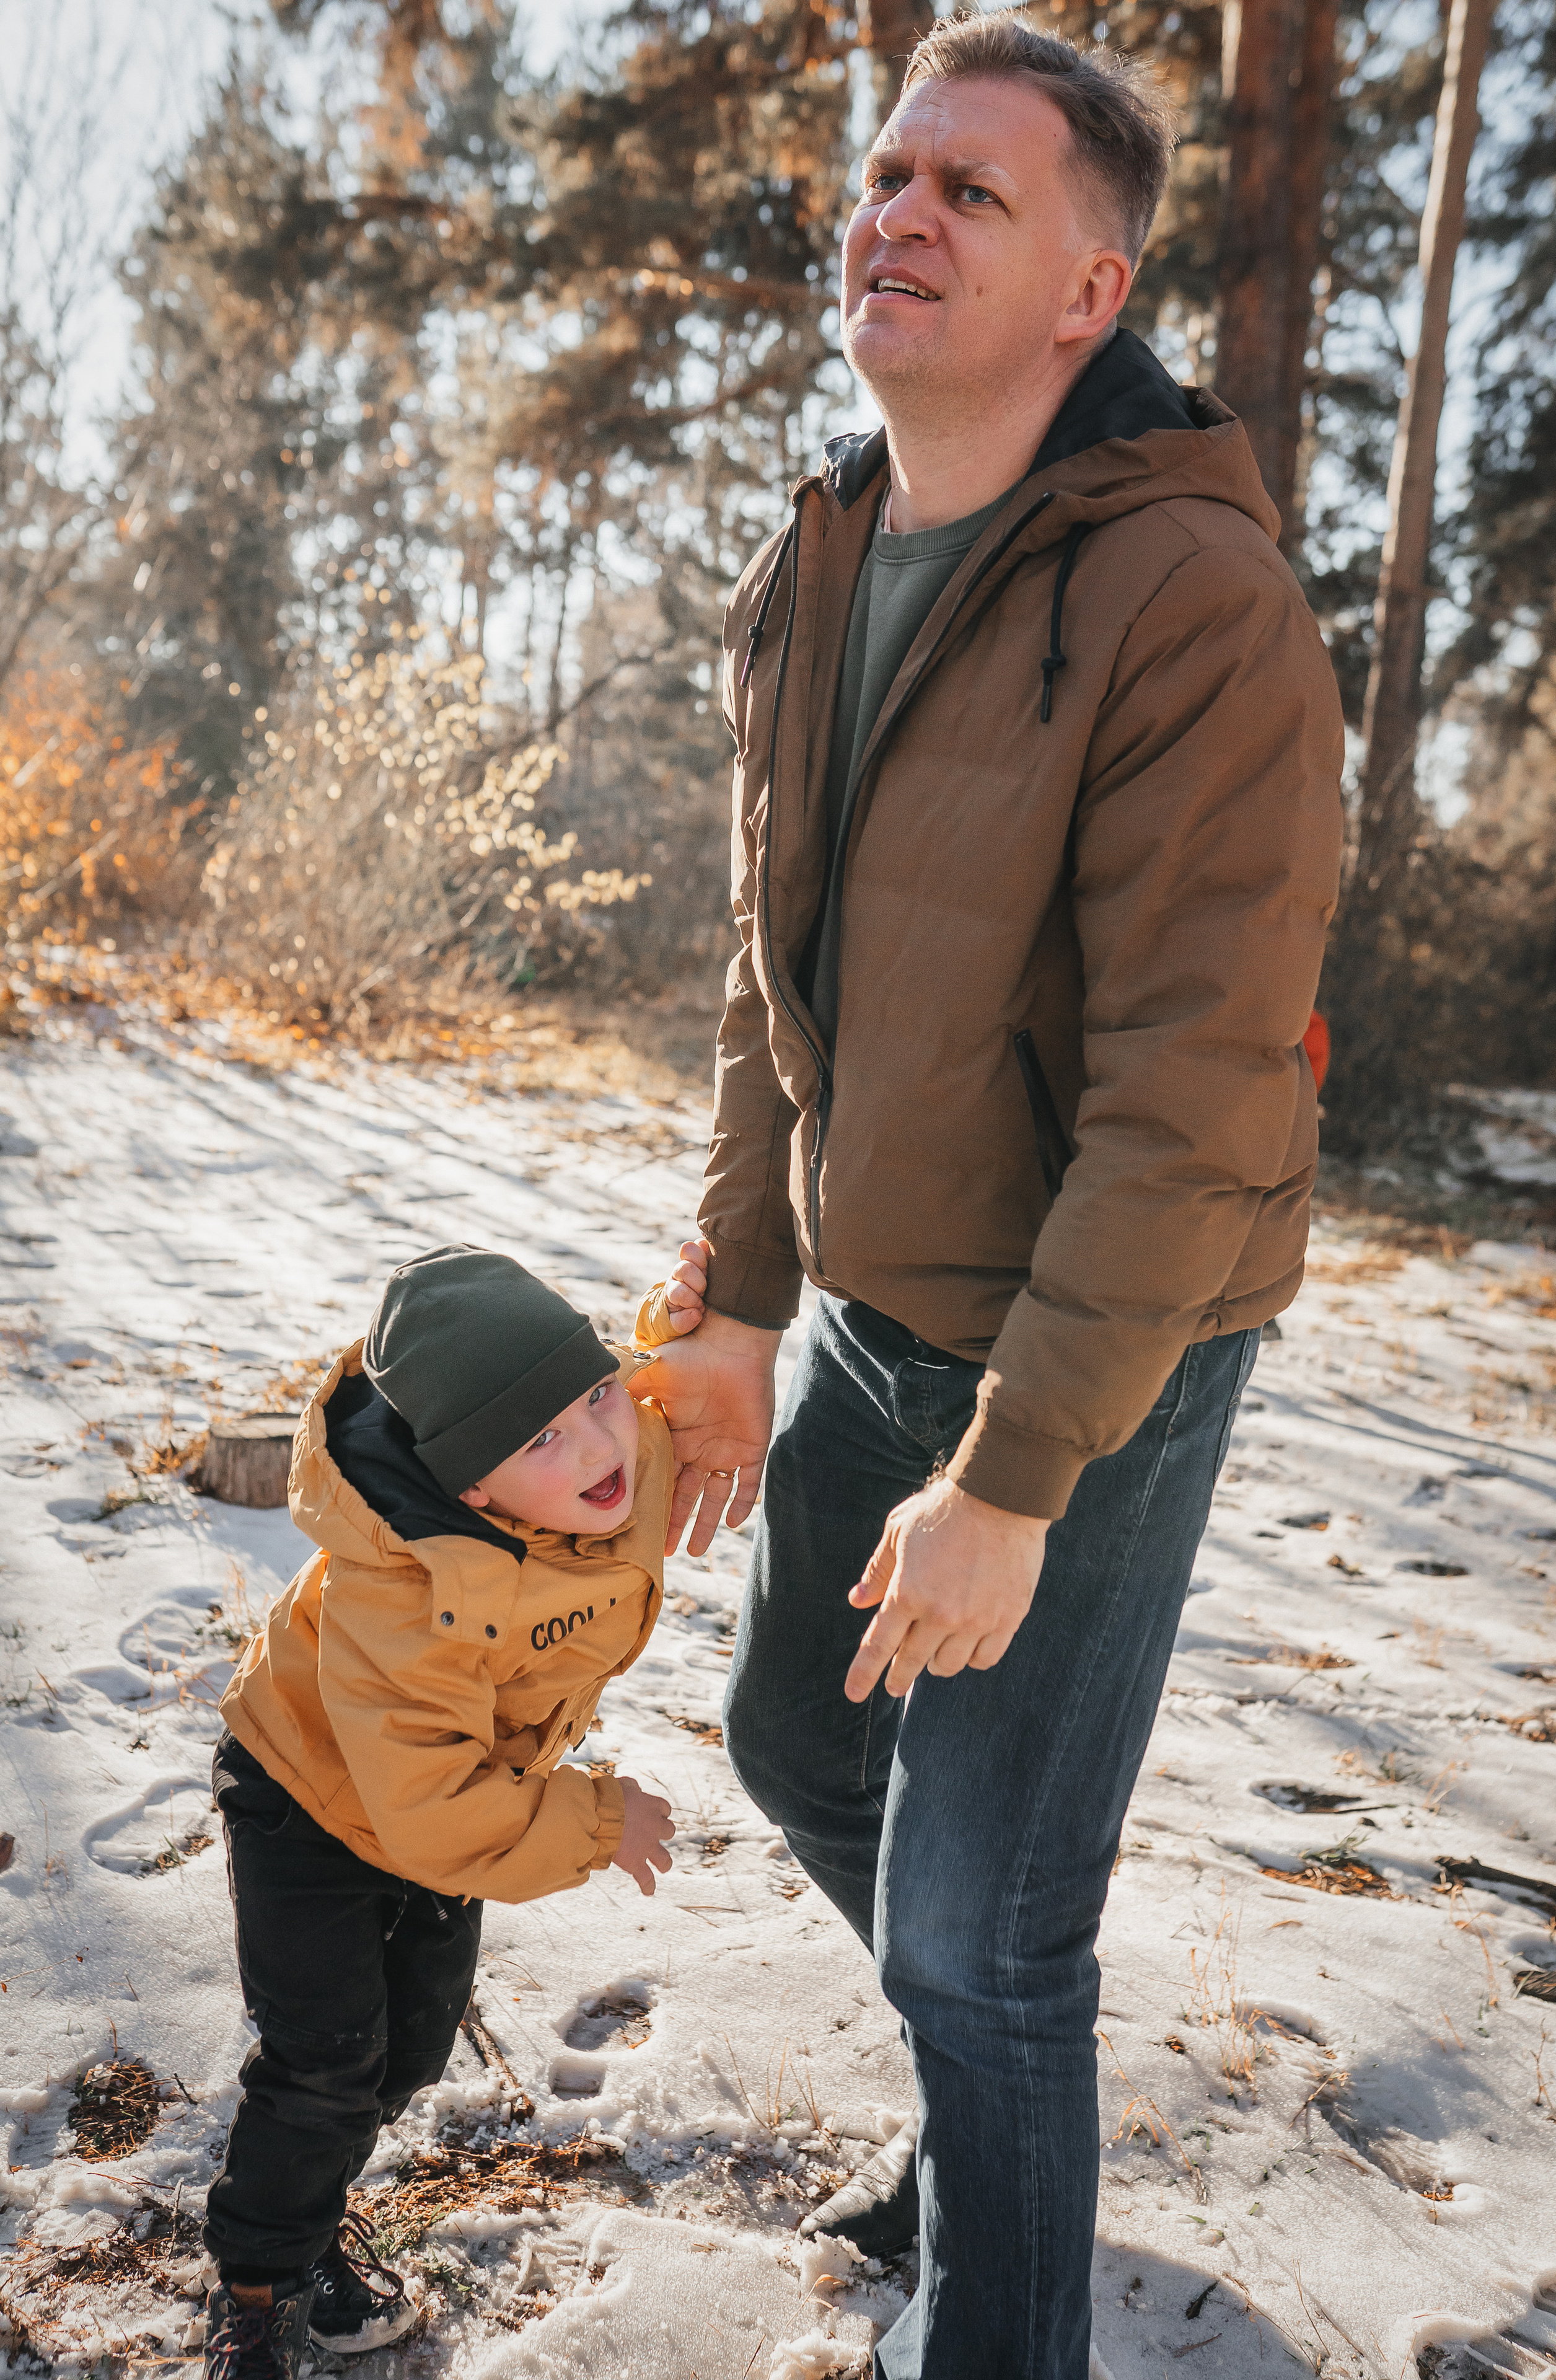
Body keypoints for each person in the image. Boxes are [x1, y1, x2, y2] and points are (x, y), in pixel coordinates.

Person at [640, 15, 1345, 2379]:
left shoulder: (1198, 603)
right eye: (890, 172)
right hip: (870, 1299)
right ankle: (992, 2103)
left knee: (982, 1939)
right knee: (796, 1747)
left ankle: (998, 2268)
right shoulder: (829, 540)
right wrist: (736, 1299)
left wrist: (1017, 1478)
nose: (900, 213)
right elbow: (774, 965)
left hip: (1102, 1352)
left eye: (972, 190)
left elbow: (1196, 1095)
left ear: (1091, 289)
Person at [201, 1246, 678, 2380]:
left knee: (411, 2048)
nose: (602, 1446)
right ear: (469, 1488)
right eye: (543, 1438)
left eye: (597, 1394)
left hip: (450, 1797)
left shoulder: (605, 1457)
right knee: (327, 2058)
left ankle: (312, 2209)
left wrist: (689, 1319)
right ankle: (263, 2283)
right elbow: (428, 1809)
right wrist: (598, 1821)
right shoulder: (406, 1598)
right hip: (310, 1800)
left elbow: (677, 1390)